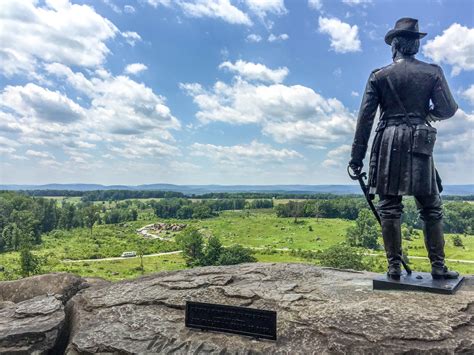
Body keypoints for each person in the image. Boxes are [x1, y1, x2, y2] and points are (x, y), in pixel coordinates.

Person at [348, 18, 459, 280]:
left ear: (395, 45)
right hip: (419, 141)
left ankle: (394, 268)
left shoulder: (379, 76)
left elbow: (365, 119)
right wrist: (426, 116)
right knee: (431, 206)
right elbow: (448, 109)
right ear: (415, 45)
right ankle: (438, 266)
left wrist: (356, 157)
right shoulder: (432, 72)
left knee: (390, 206)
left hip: (388, 141)